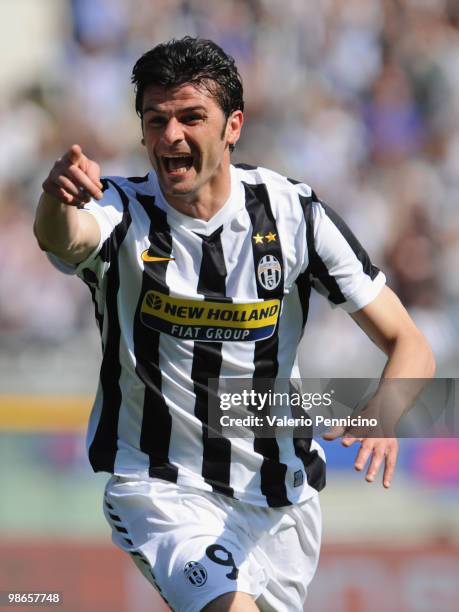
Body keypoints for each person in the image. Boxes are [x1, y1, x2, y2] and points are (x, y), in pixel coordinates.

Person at [34, 37, 435, 612]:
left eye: (191, 117)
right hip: (161, 489)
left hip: (280, 503)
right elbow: (63, 235)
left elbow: (409, 343)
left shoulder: (293, 214)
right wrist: (57, 195)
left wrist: (385, 413)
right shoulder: (121, 211)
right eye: (156, 120)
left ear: (233, 126)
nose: (171, 135)